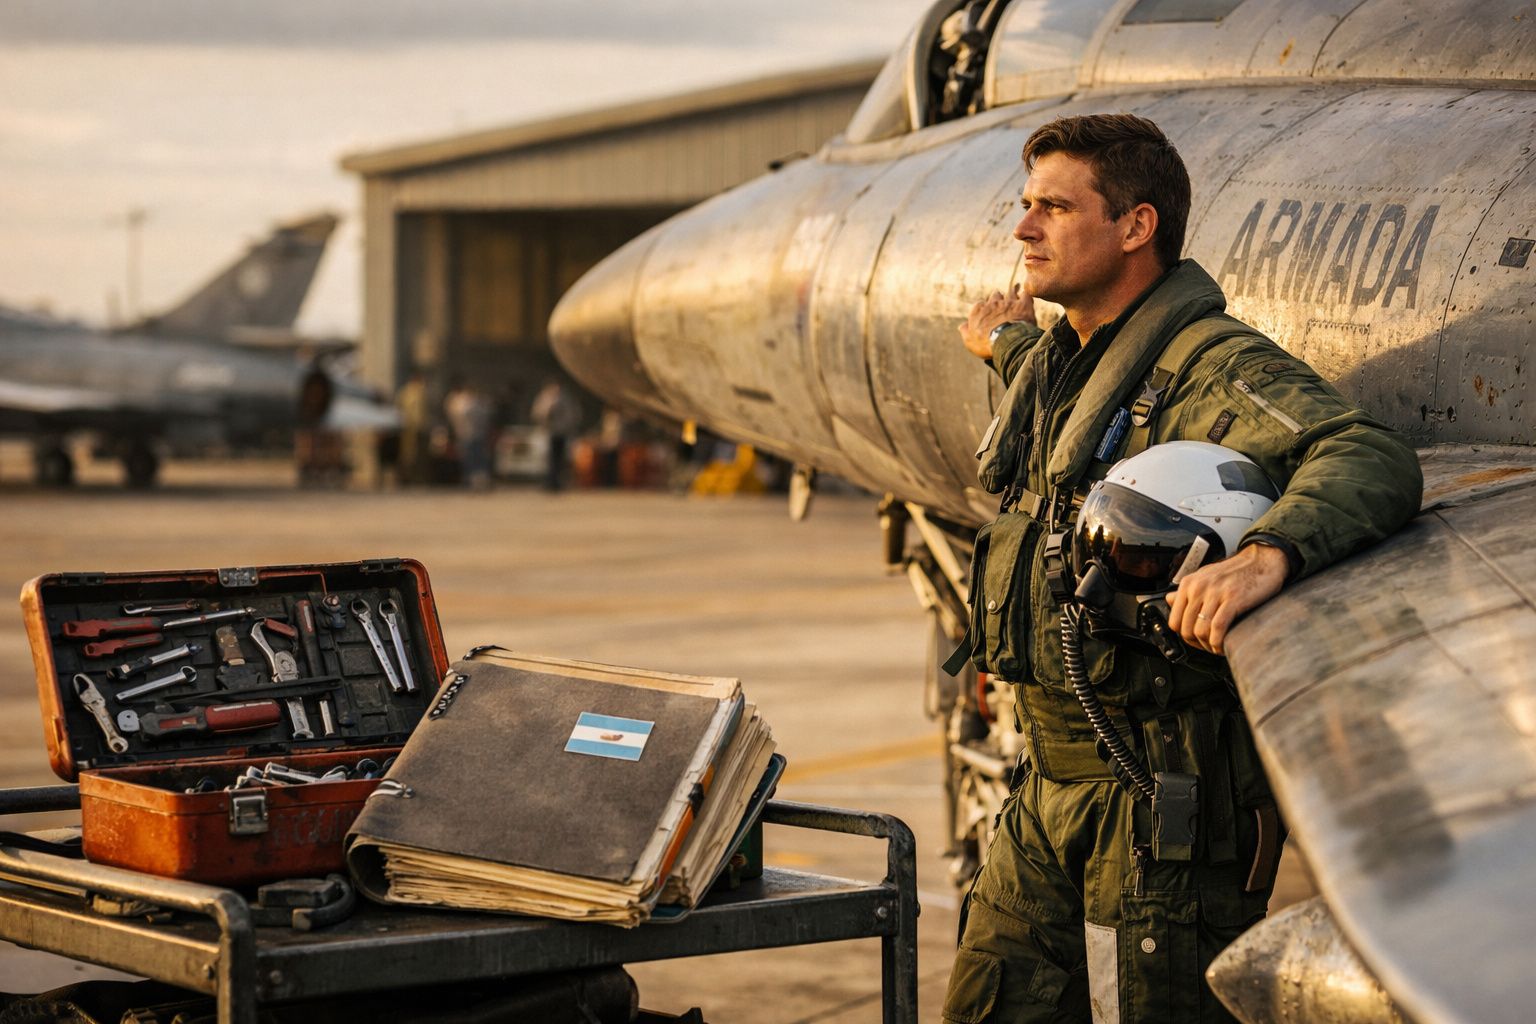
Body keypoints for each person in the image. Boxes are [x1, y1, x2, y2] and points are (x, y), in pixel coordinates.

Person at [942, 114, 1423, 1022]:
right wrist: (998, 343)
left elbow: (1364, 452)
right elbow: (1083, 429)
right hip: (1046, 786)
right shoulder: (1062, 362)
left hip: (1153, 802)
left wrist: (1269, 556)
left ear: (1136, 227)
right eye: (1025, 204)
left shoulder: (1210, 364)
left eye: (1053, 206)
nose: (1023, 228)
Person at [530, 378, 583, 491]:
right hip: (549, 432)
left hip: (562, 432)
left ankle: (558, 481)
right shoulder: (545, 398)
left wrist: (567, 426)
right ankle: (550, 481)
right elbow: (538, 413)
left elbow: (573, 415)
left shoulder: (566, 399)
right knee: (549, 458)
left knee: (560, 458)